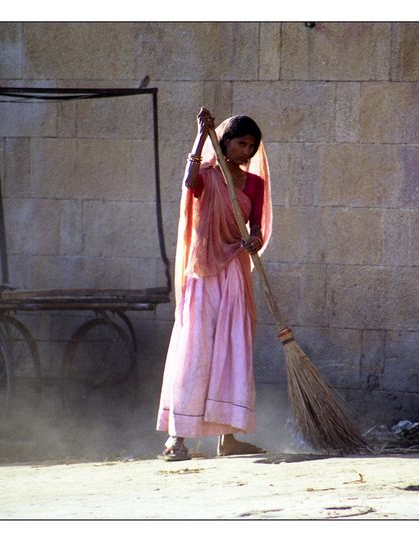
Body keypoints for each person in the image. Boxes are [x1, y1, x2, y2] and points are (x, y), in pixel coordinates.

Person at [156, 107, 273, 461]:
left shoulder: (255, 183)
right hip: (203, 273)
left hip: (234, 273)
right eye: (241, 143)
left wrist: (253, 240)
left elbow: (255, 228)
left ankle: (229, 438)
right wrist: (199, 135)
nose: (246, 152)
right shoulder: (207, 174)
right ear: (225, 141)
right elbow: (189, 182)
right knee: (196, 350)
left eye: (252, 146)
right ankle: (177, 440)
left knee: (232, 349)